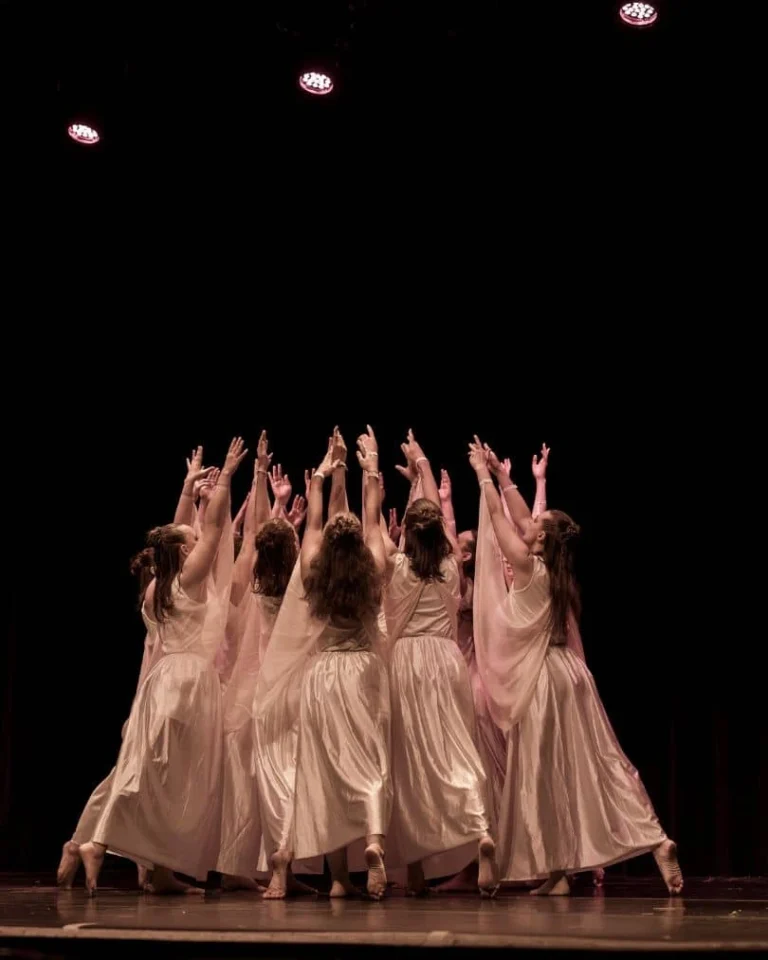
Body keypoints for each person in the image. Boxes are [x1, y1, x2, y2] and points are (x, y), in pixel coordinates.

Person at [469, 436, 683, 896]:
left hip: (543, 681)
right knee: (593, 764)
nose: (528, 522)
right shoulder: (555, 570)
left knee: (542, 773)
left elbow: (503, 523)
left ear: (541, 538)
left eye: (535, 524)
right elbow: (521, 518)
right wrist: (505, 476)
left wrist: (483, 476)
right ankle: (578, 865)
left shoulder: (527, 566)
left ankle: (567, 865)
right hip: (571, 674)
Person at [77, 438, 248, 895]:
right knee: (163, 776)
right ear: (183, 552)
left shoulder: (157, 584)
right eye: (190, 539)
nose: (196, 534)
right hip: (186, 683)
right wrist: (226, 479)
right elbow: (213, 530)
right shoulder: (188, 579)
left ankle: (159, 869)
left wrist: (189, 488)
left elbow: (179, 531)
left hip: (164, 681)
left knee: (161, 776)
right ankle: (98, 842)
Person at [384, 430, 498, 897]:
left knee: (409, 763)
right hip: (448, 661)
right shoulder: (452, 566)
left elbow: (388, 529)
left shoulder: (397, 566)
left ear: (408, 534)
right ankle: (481, 830)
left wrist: (385, 476)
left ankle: (414, 870)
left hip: (409, 662)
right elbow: (438, 524)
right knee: (457, 752)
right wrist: (424, 466)